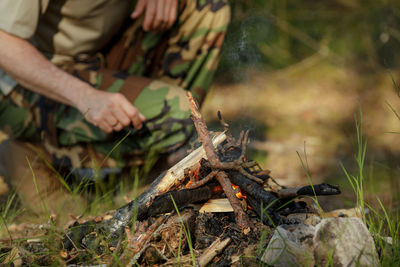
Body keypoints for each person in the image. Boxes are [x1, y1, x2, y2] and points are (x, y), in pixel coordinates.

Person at [0, 0, 230, 213]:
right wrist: (85, 96)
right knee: (178, 112)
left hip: (96, 56)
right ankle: (36, 155)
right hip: (20, 84)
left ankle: (165, 161)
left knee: (208, 5)